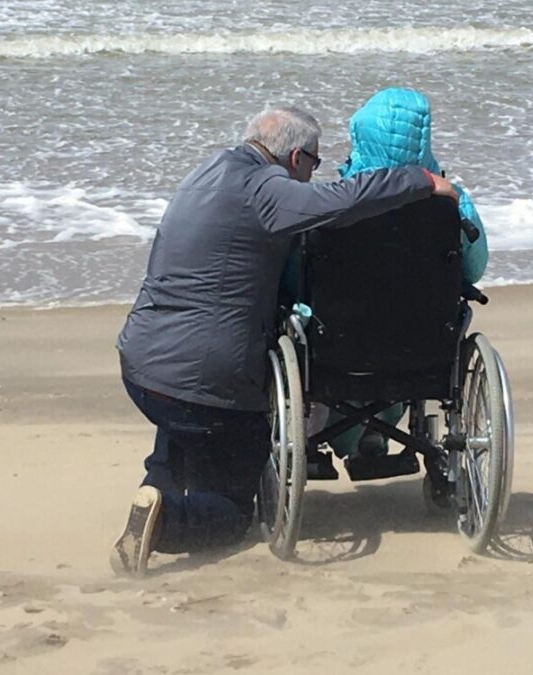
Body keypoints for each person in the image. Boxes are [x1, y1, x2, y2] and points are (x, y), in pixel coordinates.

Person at [111, 106, 459, 577]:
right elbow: (342, 200)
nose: (315, 174)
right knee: (233, 511)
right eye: (314, 164)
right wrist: (417, 179)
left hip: (142, 363)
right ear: (296, 157)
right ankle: (167, 523)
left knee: (182, 416)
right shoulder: (265, 188)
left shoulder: (204, 173)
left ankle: (152, 494)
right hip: (207, 383)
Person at [324, 88, 489, 461]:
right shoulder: (450, 200)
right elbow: (475, 268)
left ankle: (346, 437)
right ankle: (372, 435)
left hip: (337, 344)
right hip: (424, 344)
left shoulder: (334, 200)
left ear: (360, 135)